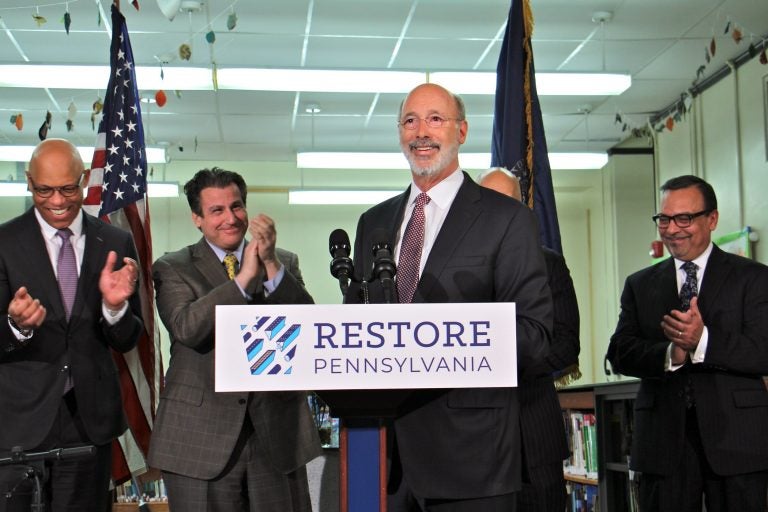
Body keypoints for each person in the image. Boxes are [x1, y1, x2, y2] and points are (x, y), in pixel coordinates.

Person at [345, 83, 552, 511]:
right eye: (410, 120)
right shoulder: (373, 223)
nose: (421, 131)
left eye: (435, 119)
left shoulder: (507, 220)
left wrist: (444, 331)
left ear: (462, 131)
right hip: (387, 462)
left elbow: (534, 339)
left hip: (473, 462)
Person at [148, 167, 321, 511]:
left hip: (274, 437)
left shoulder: (282, 261)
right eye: (217, 210)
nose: (230, 218)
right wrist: (242, 280)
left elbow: (306, 326)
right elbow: (187, 327)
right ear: (197, 218)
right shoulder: (173, 267)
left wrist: (269, 262)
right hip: (200, 441)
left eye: (237, 206)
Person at [606, 175, 768, 512]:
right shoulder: (639, 284)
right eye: (664, 219)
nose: (672, 228)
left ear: (712, 219)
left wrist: (702, 340)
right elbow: (619, 352)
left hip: (738, 441)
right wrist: (672, 353)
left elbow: (762, 350)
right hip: (663, 444)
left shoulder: (753, 277)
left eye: (685, 218)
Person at [0, 138, 143, 512]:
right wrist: (15, 326)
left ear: (82, 179)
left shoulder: (115, 241)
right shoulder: (4, 242)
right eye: (44, 190)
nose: (58, 201)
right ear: (29, 183)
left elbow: (130, 337)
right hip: (19, 424)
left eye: (67, 188)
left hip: (89, 421)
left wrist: (114, 309)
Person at [478, 167, 580, 512]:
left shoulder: (549, 265)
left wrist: (507, 364)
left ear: (522, 209)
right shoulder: (457, 268)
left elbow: (566, 343)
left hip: (534, 433)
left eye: (504, 202)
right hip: (473, 439)